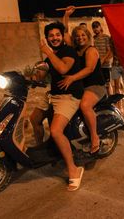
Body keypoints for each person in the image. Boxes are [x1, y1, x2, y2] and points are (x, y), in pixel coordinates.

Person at [29, 21, 84, 192]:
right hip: (53, 94)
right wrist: (32, 77)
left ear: (62, 36)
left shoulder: (68, 51)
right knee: (34, 119)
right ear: (47, 38)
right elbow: (42, 73)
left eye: (57, 35)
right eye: (51, 35)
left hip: (69, 96)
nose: (54, 38)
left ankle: (73, 169)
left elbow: (62, 68)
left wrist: (48, 53)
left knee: (55, 131)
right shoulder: (50, 56)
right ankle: (42, 151)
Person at [58, 26, 107, 158]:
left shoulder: (91, 50)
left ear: (88, 36)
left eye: (83, 35)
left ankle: (94, 136)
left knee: (84, 105)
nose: (80, 38)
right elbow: (65, 33)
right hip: (81, 86)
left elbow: (89, 69)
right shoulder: (75, 50)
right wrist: (66, 16)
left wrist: (72, 78)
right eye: (77, 36)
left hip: (95, 86)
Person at [91, 20, 114, 95]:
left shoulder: (106, 37)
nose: (95, 29)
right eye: (93, 28)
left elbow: (109, 50)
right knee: (100, 84)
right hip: (97, 64)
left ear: (100, 27)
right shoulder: (93, 38)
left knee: (108, 84)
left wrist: (103, 60)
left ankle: (111, 102)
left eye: (97, 27)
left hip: (105, 65)